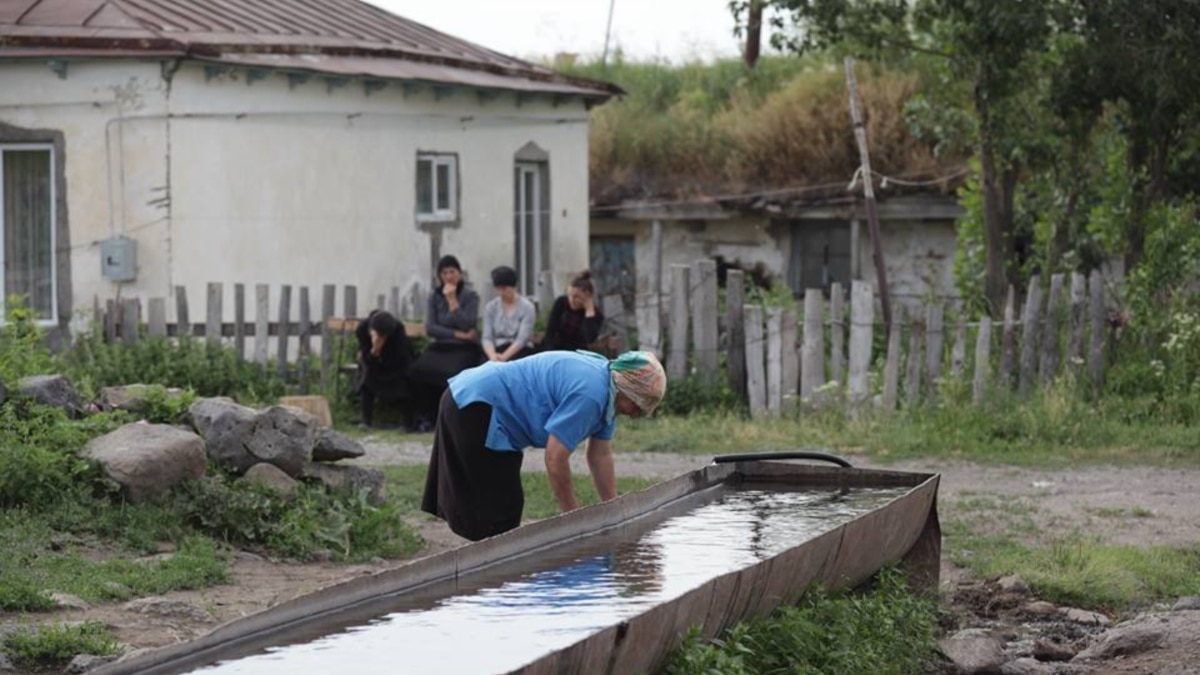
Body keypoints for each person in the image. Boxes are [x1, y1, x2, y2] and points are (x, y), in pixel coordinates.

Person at [421, 350, 666, 541]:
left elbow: (600, 455)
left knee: (501, 511)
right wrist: (575, 520)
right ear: (628, 388)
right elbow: (555, 458)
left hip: (478, 400)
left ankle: (495, 579)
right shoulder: (592, 395)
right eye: (638, 405)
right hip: (476, 405)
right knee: (499, 510)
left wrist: (615, 512)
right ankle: (491, 586)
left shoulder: (608, 392)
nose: (636, 414)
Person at [406, 255, 484, 428]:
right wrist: (457, 334)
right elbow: (432, 328)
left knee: (453, 373)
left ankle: (452, 419)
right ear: (440, 276)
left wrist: (452, 301)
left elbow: (468, 323)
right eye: (444, 272)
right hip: (442, 346)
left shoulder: (470, 296)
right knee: (417, 370)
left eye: (452, 271)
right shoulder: (434, 296)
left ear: (459, 273)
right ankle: (426, 416)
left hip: (465, 348)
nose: (449, 276)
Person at [354, 310, 416, 429]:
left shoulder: (397, 330)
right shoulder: (362, 329)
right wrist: (375, 351)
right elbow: (364, 357)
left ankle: (408, 423)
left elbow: (403, 357)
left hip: (395, 365)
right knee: (367, 379)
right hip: (373, 364)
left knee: (407, 381)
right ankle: (366, 421)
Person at [482, 265, 537, 363]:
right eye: (498, 289)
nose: (501, 292)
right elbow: (487, 337)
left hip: (519, 350)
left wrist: (504, 357)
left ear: (514, 287)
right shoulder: (491, 307)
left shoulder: (527, 307)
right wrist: (492, 355)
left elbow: (522, 339)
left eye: (504, 288)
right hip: (496, 349)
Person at [540, 270, 605, 352]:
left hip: (576, 353)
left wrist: (589, 311)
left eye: (576, 297)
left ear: (587, 296)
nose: (572, 300)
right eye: (570, 295)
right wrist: (550, 352)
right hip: (555, 349)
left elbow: (590, 338)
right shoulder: (561, 303)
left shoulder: (596, 315)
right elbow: (550, 331)